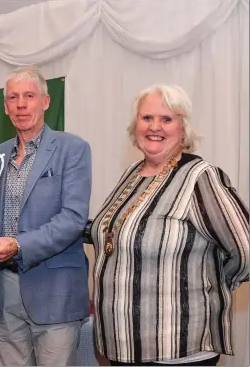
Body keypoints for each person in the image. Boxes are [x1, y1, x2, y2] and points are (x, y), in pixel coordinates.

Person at [85, 84, 249, 366]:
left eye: (167, 119)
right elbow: (119, 231)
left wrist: (211, 282)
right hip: (122, 344)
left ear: (183, 129)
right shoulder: (132, 174)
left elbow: (244, 249)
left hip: (179, 347)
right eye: (147, 118)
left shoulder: (201, 177)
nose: (154, 126)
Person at [0, 65, 93, 366]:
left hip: (55, 294)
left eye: (29, 96)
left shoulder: (73, 149)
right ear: (5, 106)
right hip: (5, 294)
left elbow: (73, 218)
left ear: (46, 101)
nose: (21, 104)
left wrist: (19, 245)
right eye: (13, 97)